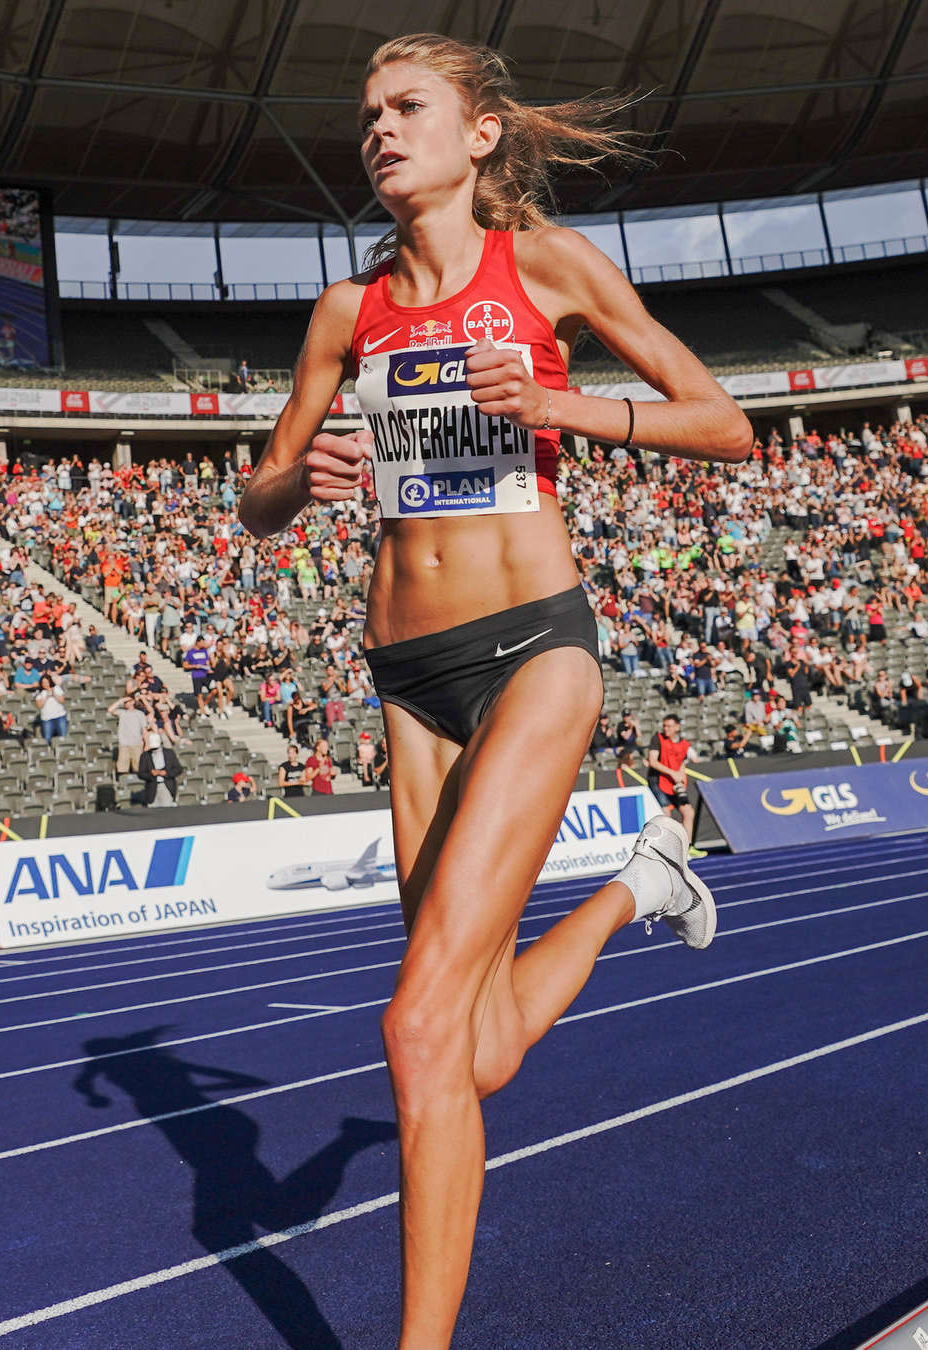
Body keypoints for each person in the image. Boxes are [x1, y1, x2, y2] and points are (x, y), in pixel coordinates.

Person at [234, 35, 743, 1347]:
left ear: (480, 137)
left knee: (414, 1027)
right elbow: (257, 499)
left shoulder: (550, 271)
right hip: (407, 682)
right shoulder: (347, 314)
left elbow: (723, 419)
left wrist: (570, 403)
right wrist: (308, 481)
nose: (379, 131)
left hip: (536, 651)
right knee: (478, 1043)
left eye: (408, 108)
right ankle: (647, 880)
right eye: (367, 116)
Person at [650, 712, 695, 826]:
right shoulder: (657, 738)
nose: (666, 729)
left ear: (677, 727)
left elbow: (681, 763)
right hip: (657, 780)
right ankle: (667, 843)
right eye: (664, 726)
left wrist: (680, 779)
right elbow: (653, 761)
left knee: (689, 812)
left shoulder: (684, 744)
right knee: (666, 814)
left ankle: (688, 843)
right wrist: (672, 773)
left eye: (669, 726)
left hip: (673, 782)